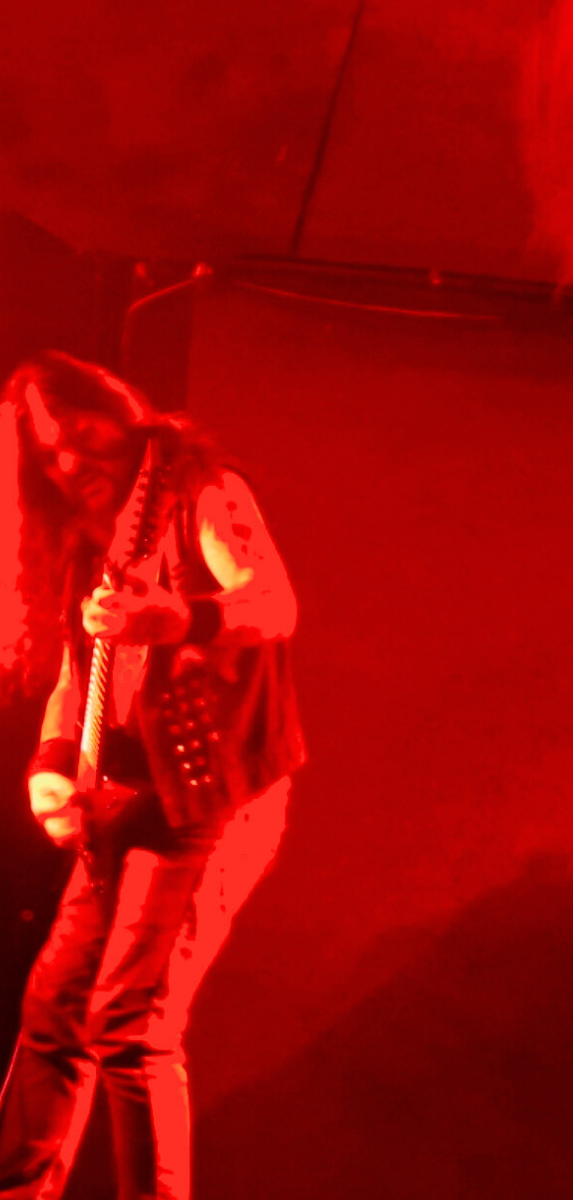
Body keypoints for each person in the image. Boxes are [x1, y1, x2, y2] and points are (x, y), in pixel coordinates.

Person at [0, 352, 305, 1200]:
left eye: (80, 435)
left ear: (120, 412)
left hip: (215, 794)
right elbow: (76, 676)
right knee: (54, 1014)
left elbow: (272, 602)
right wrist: (51, 768)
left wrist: (177, 616)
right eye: (50, 455)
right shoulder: (79, 538)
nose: (71, 463)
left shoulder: (199, 490)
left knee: (130, 1025)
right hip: (127, 802)